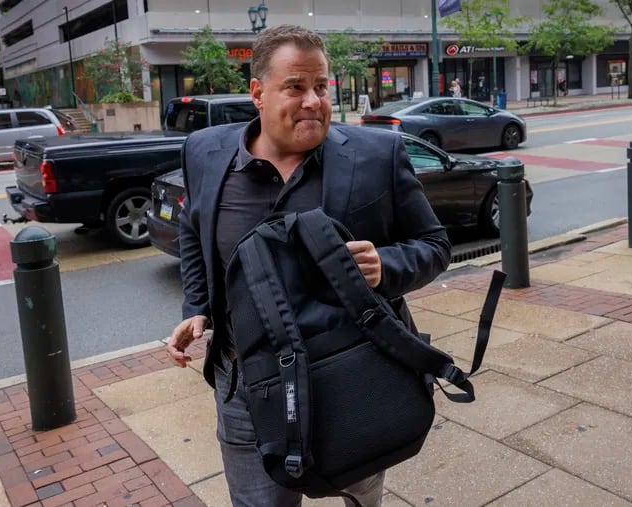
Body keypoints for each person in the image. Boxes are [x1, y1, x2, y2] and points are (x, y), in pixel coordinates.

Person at [165, 24, 451, 507]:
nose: (314, 101)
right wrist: (199, 308)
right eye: (295, 87)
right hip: (246, 387)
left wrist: (386, 264)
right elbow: (194, 230)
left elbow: (435, 244)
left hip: (352, 378)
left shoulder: (377, 154)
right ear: (258, 92)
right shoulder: (205, 152)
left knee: (361, 494)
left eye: (321, 86)